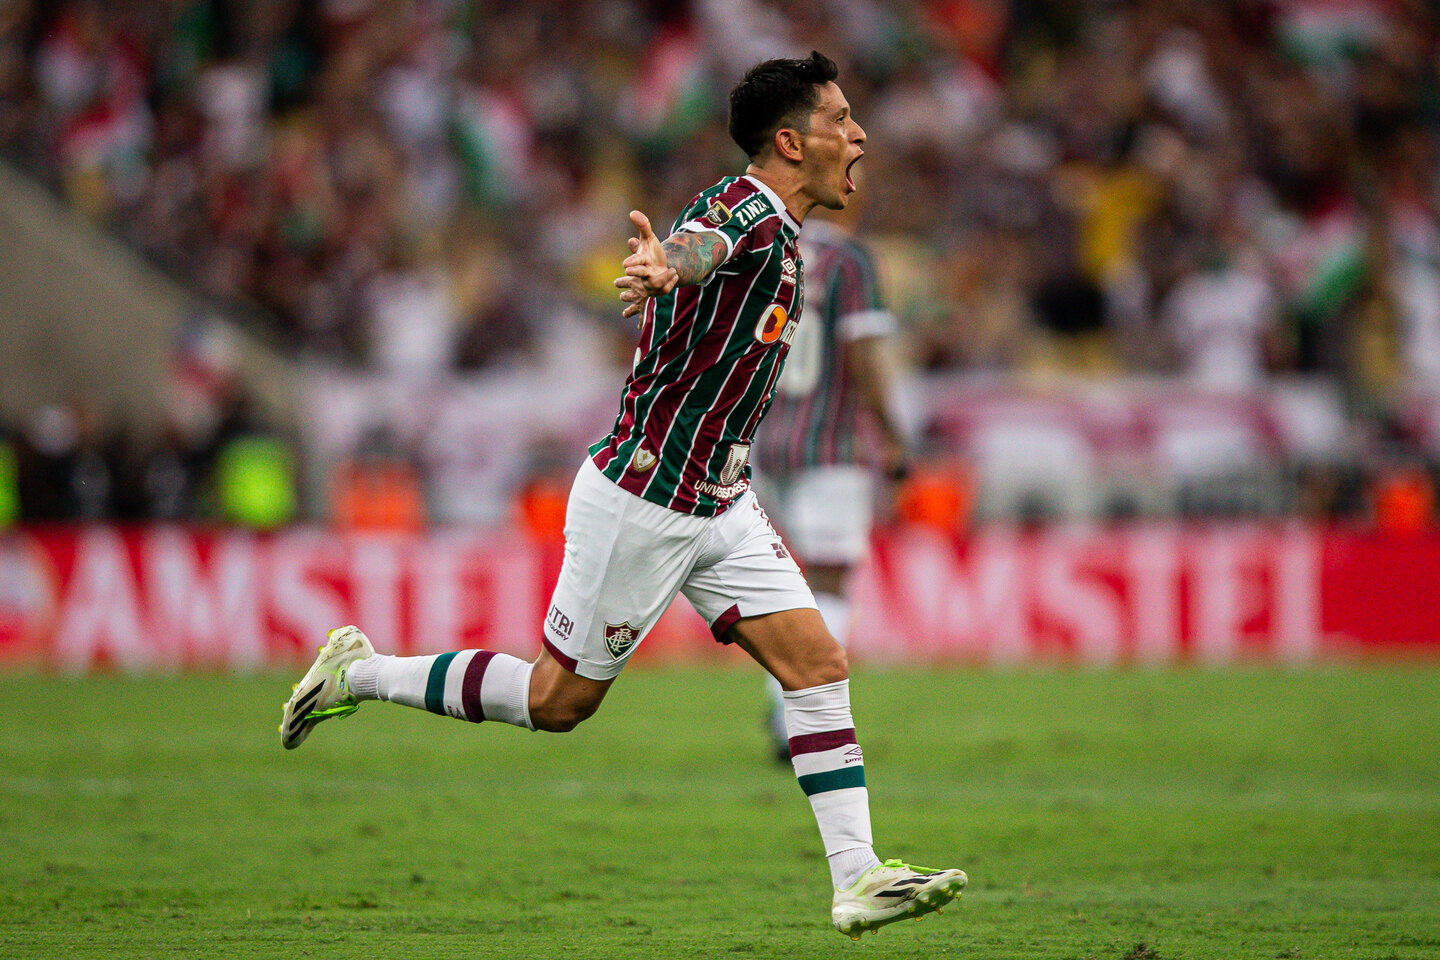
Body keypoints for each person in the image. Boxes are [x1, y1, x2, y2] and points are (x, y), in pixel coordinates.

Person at [279, 51, 966, 940]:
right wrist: (665, 265)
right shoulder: (749, 209)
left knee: (819, 665)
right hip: (644, 498)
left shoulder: (787, 235)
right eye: (841, 119)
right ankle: (359, 670)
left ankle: (858, 877)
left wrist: (675, 271)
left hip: (717, 502)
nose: (860, 134)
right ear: (792, 142)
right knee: (556, 704)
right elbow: (700, 247)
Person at [750, 202, 908, 762]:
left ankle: (789, 704)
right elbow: (864, 359)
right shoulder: (848, 259)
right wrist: (892, 436)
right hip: (832, 446)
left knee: (787, 586)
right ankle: (797, 714)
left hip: (763, 443)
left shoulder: (762, 247)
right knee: (831, 582)